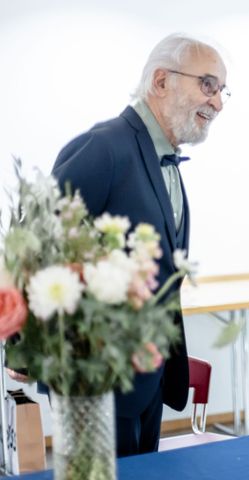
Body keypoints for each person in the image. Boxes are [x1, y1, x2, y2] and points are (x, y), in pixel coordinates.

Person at [48, 33, 229, 456]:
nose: (217, 103)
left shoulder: (162, 156)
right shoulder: (104, 147)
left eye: (222, 90)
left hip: (147, 377)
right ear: (161, 81)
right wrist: (19, 350)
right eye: (207, 85)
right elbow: (41, 245)